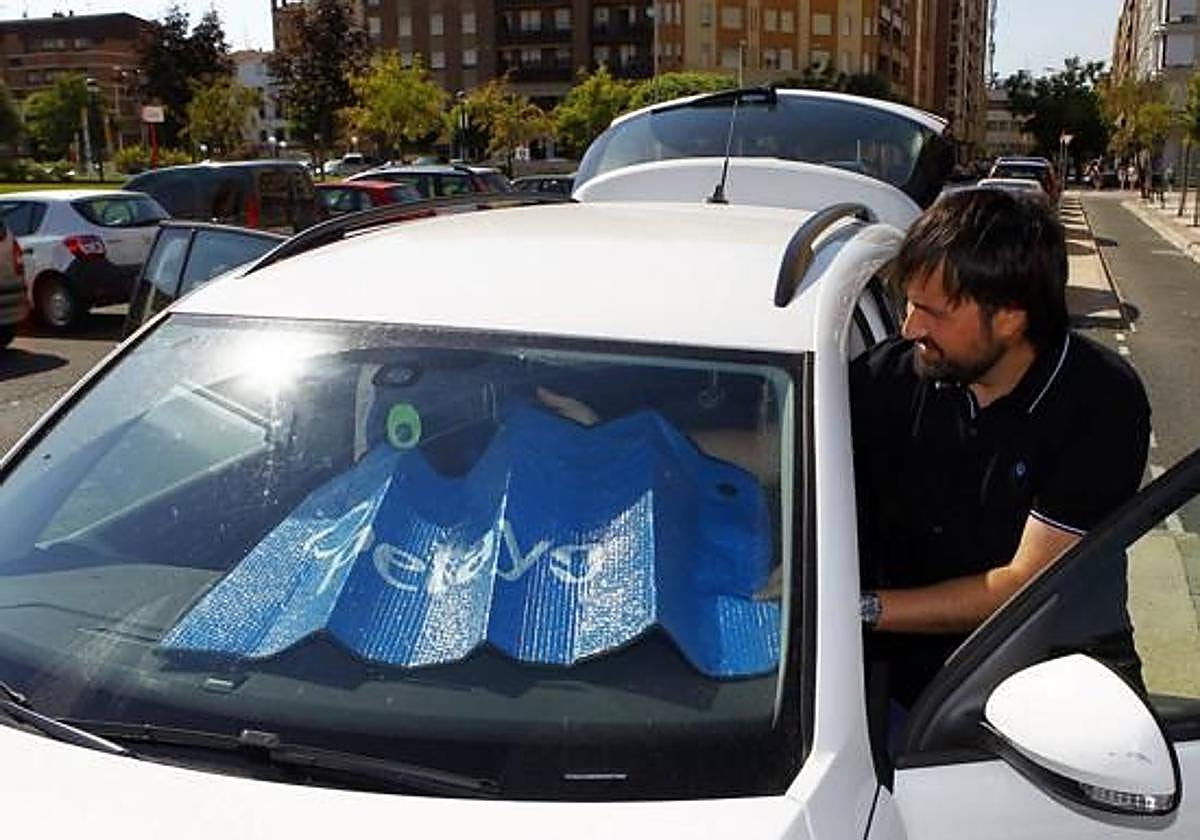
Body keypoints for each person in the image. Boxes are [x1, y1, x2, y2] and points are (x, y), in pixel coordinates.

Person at [852, 188, 1151, 709]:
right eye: (908, 304)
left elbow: (1022, 584)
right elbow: (775, 436)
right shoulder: (893, 376)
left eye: (932, 311)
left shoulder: (1101, 403)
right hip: (908, 682)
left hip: (1054, 678)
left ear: (1010, 319)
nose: (909, 328)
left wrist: (859, 609)